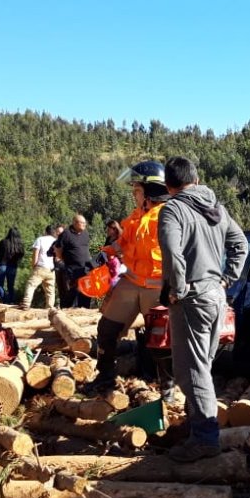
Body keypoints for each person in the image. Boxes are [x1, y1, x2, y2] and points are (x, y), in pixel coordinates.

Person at [158, 156, 248, 462]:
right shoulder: (216, 209)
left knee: (191, 370)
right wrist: (227, 279)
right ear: (195, 179)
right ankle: (195, 428)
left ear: (169, 185)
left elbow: (172, 252)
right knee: (202, 366)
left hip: (192, 299)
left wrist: (178, 289)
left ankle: (205, 440)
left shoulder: (173, 209)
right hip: (215, 296)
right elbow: (240, 244)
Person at [86, 161, 171, 395]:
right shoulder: (137, 215)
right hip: (131, 282)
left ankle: (168, 386)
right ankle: (105, 376)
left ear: (150, 192)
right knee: (106, 329)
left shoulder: (167, 216)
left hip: (157, 288)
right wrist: (102, 256)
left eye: (136, 190)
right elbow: (122, 243)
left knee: (160, 342)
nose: (133, 195)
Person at [53, 214, 95, 309]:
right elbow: (58, 248)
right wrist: (63, 259)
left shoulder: (85, 233)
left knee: (86, 289)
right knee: (74, 291)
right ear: (75, 223)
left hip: (86, 268)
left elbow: (85, 248)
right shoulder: (66, 234)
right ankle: (67, 309)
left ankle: (84, 308)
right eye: (82, 223)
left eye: (85, 223)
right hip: (72, 269)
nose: (85, 225)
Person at [19, 225, 59, 309]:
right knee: (50, 291)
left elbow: (35, 254)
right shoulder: (56, 241)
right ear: (54, 233)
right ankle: (50, 308)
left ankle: (26, 303)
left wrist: (34, 265)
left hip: (40, 267)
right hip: (51, 269)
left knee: (31, 285)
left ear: (45, 231)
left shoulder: (40, 239)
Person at [0, 227, 25, 304]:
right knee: (11, 285)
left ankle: (5, 300)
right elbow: (21, 255)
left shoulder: (3, 242)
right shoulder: (19, 244)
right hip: (13, 266)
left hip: (1, 265)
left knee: (0, 284)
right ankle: (11, 301)